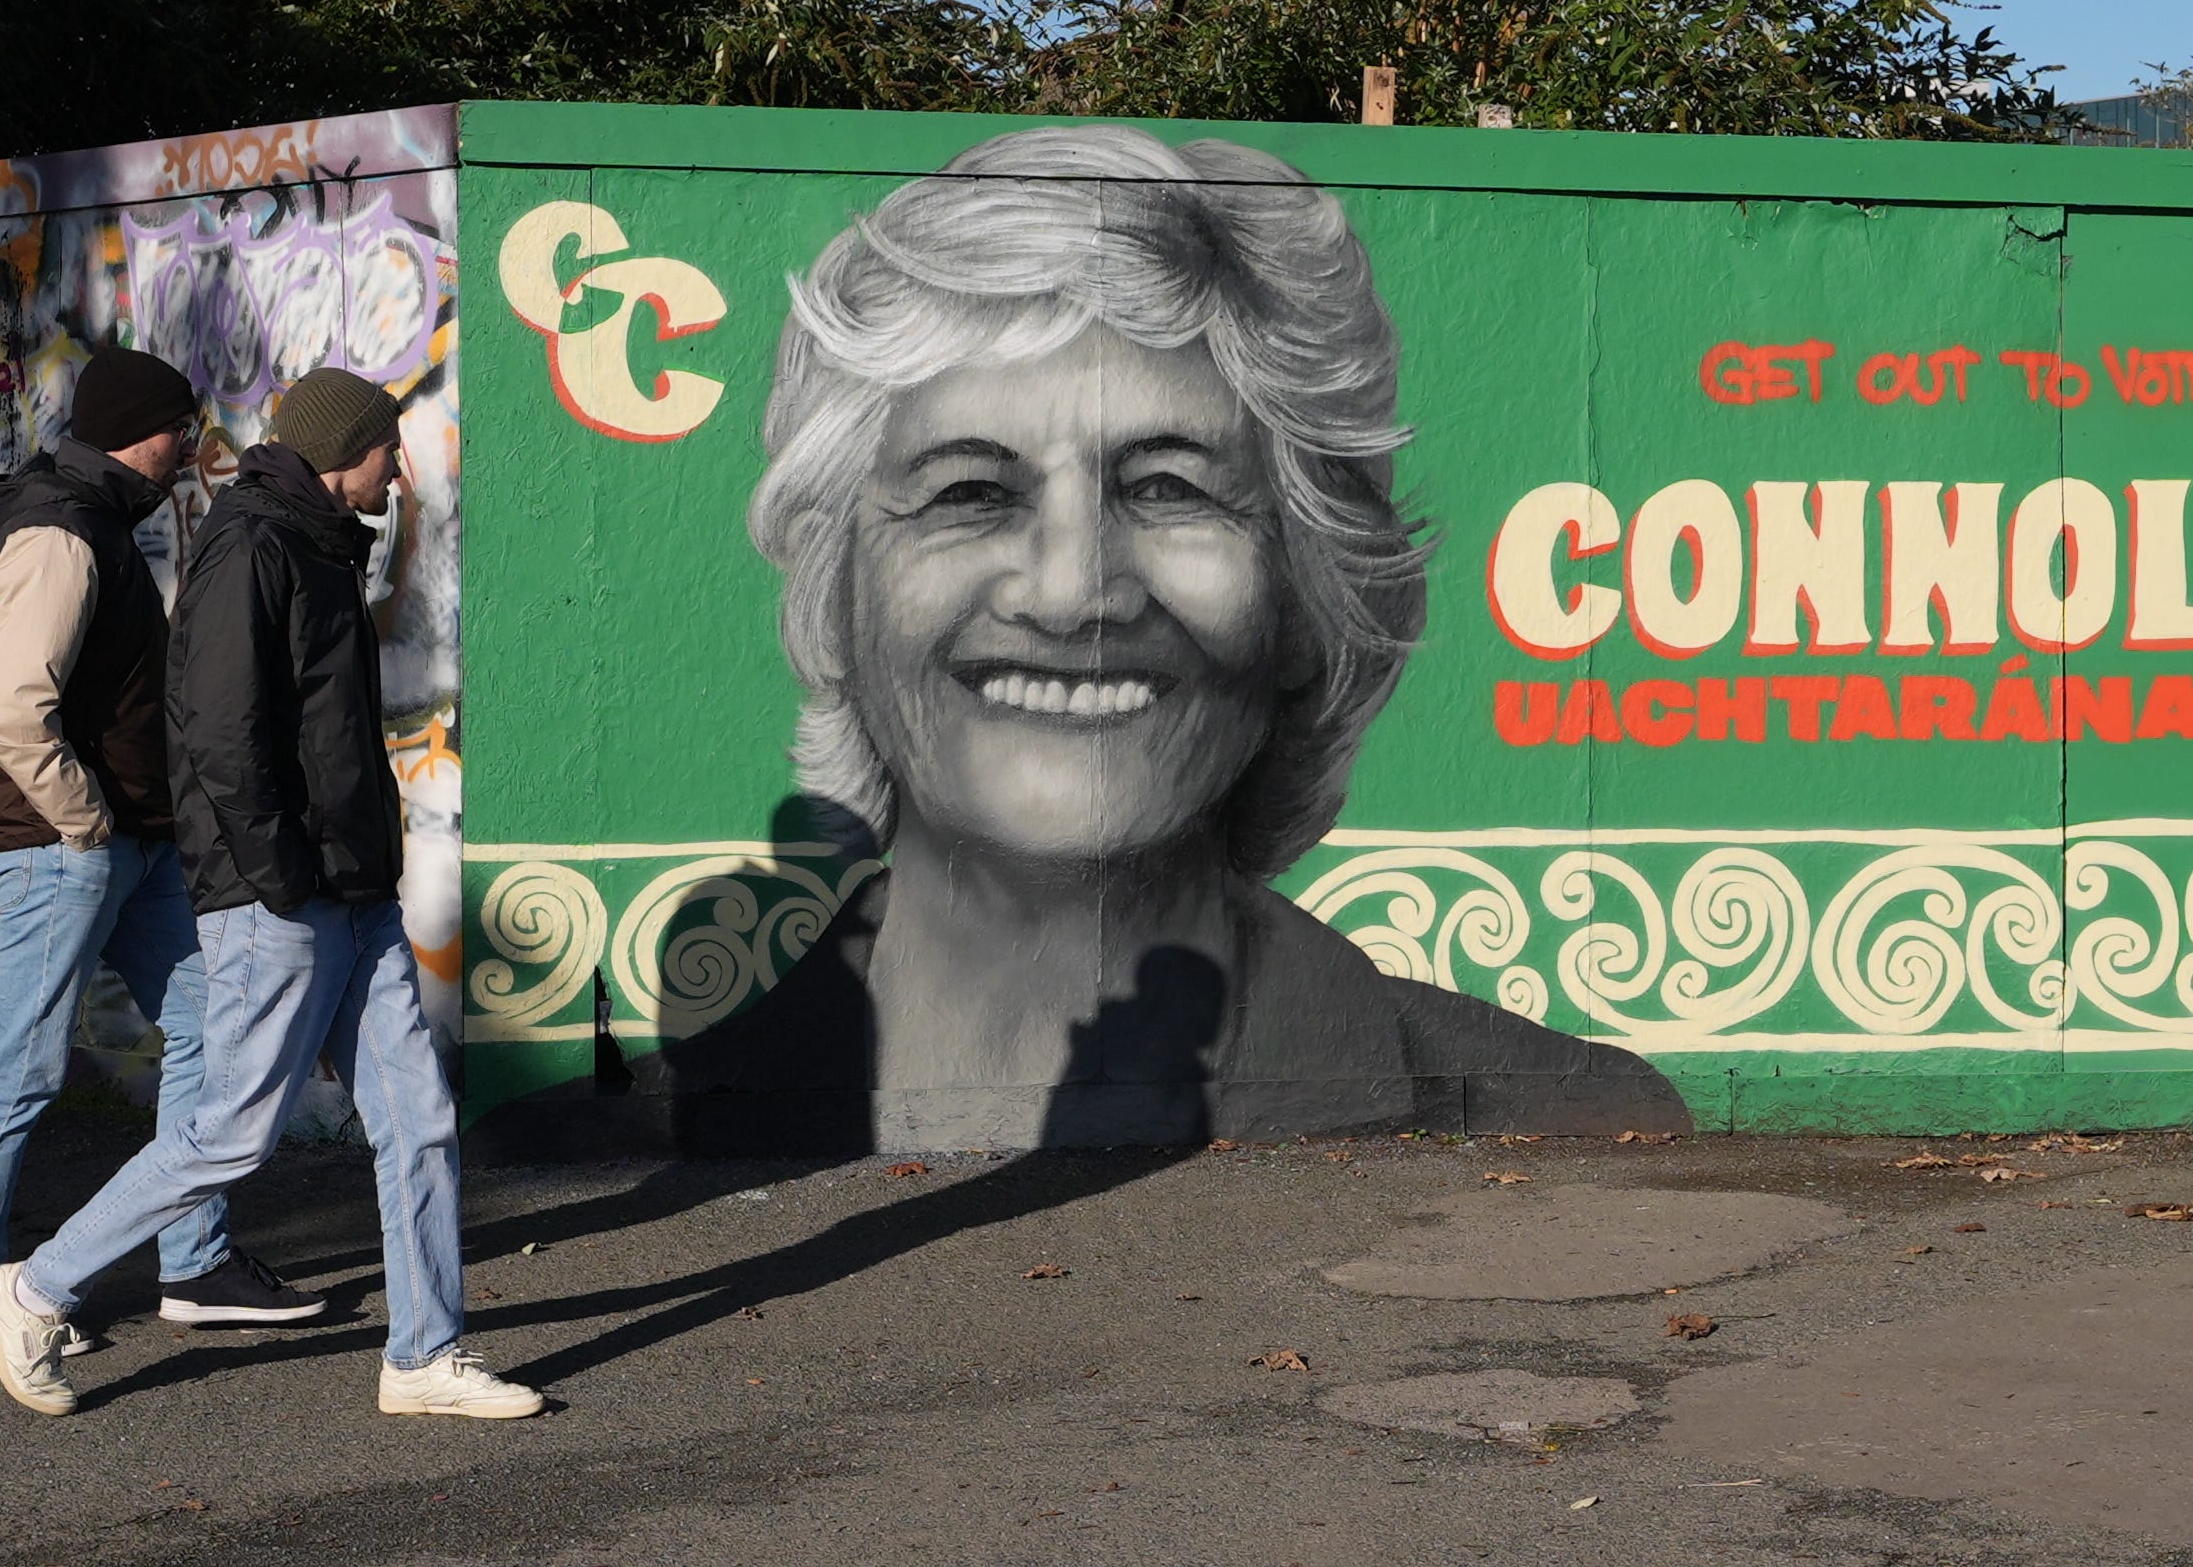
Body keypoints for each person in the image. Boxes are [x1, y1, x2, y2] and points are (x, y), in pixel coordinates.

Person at [634, 124, 1691, 1152]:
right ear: (831, 600)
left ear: (1309, 597)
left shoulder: (1580, 1117)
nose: (1071, 591)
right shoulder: (611, 1132)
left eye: (1170, 486)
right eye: (968, 490)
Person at [0, 367, 541, 1420]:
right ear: (342, 450)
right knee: (231, 1130)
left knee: (417, 1115)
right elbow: (224, 741)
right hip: (283, 896)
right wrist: (283, 882)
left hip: (351, 893)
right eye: (386, 447)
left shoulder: (317, 543)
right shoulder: (254, 547)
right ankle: (35, 1288)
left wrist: (362, 868)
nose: (400, 467)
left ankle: (422, 1355)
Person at [0, 346, 322, 1360]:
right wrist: (82, 818)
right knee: (20, 1073)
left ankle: (194, 1262)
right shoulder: (61, 529)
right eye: (180, 429)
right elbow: (14, 704)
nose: (190, 447)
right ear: (137, 429)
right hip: (68, 846)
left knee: (210, 1027)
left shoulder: (98, 516)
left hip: (125, 846)